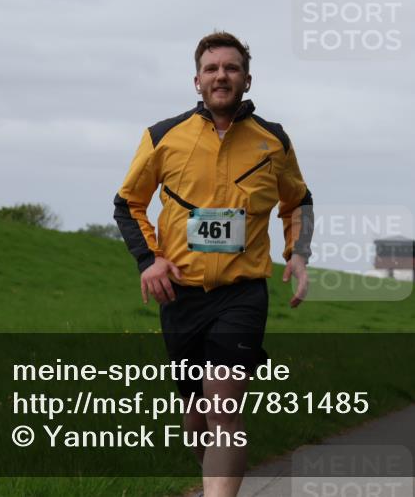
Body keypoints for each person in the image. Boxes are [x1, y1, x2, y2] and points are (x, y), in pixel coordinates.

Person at [113, 31, 313, 497]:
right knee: (196, 417)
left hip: (241, 293)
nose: (221, 75)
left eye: (231, 68)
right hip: (180, 293)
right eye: (212, 68)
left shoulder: (273, 141)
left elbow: (298, 201)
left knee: (223, 406)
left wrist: (299, 254)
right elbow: (128, 203)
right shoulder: (163, 136)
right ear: (197, 81)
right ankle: (215, 483)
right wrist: (149, 259)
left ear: (247, 79)